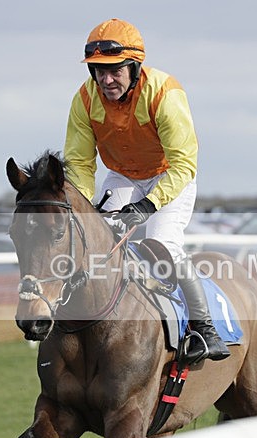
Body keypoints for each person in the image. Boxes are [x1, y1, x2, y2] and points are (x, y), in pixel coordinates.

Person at [63, 18, 230, 362]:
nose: (105, 80)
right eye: (97, 71)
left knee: (162, 244)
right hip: (123, 177)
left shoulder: (165, 93)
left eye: (115, 71)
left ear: (134, 66)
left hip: (169, 176)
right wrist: (82, 208)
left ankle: (204, 327)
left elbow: (184, 163)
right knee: (95, 241)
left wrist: (149, 204)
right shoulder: (83, 100)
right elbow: (79, 163)